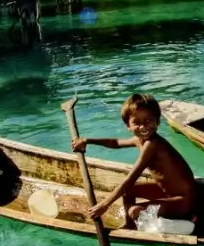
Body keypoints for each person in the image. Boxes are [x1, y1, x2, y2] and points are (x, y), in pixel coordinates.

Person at [72, 94, 196, 228]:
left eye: (149, 120)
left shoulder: (152, 145)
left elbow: (130, 179)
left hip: (183, 201)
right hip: (167, 194)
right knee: (129, 191)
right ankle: (130, 225)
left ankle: (171, 222)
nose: (143, 127)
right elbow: (116, 142)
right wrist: (87, 140)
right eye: (137, 122)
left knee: (134, 210)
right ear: (128, 126)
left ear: (157, 121)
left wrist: (105, 204)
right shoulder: (139, 140)